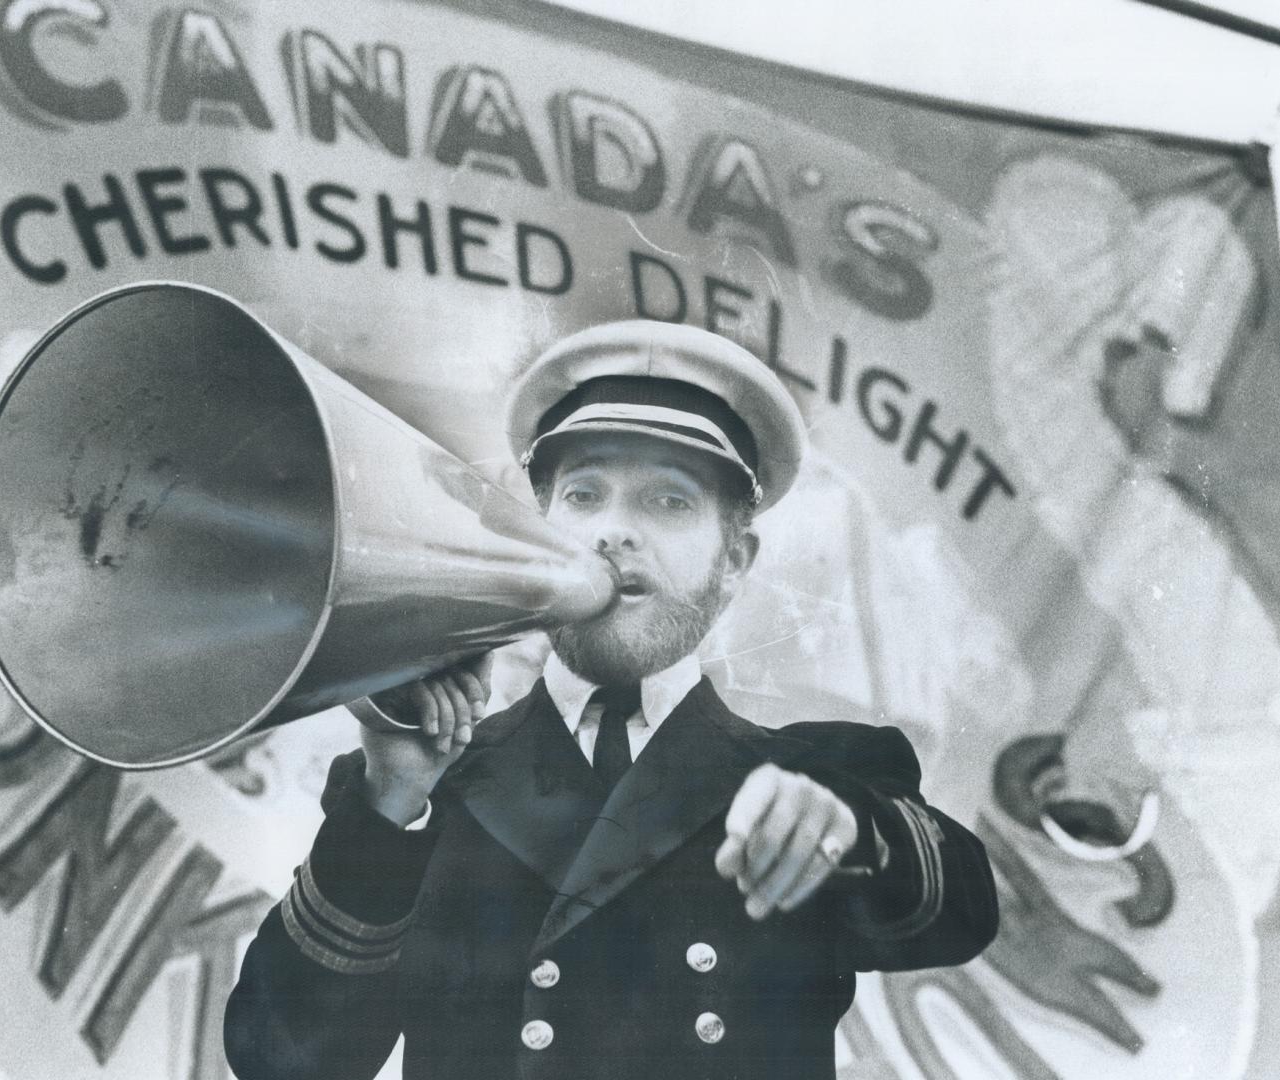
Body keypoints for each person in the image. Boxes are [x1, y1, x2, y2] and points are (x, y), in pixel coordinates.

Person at [224, 321, 999, 1080]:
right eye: (584, 494)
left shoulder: (821, 771)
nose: (614, 533)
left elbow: (959, 911)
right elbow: (280, 1061)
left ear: (734, 562)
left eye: (669, 503)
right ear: (534, 530)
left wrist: (846, 831)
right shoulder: (427, 783)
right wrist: (391, 799)